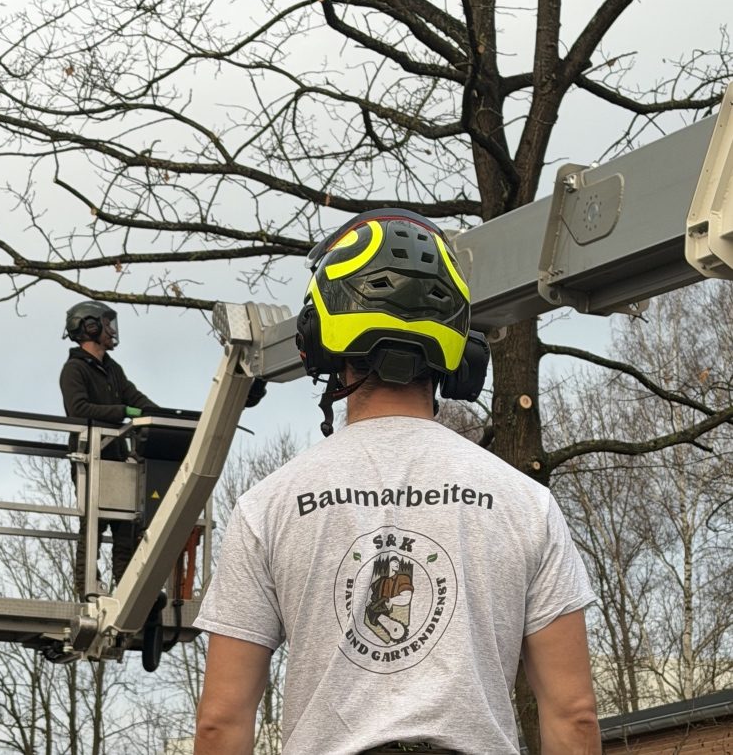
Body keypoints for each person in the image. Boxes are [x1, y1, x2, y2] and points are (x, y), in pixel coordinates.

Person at [193, 209, 600, 754]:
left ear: (319, 339)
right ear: (458, 344)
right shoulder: (527, 503)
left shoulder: (267, 507)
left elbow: (221, 721)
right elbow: (573, 715)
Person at [60, 300, 158, 599]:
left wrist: (162, 416)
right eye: (106, 324)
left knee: (126, 525)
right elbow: (78, 409)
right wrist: (122, 411)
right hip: (90, 457)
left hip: (117, 457)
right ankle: (87, 586)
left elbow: (138, 400)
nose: (112, 331)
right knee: (94, 522)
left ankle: (127, 588)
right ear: (89, 327)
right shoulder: (74, 369)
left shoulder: (113, 370)